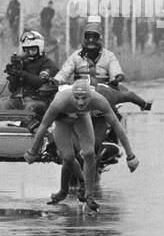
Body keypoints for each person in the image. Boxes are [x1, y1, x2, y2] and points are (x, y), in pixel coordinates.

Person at [23, 80, 139, 210]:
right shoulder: (60, 101)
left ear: (91, 96)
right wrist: (33, 151)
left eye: (84, 98)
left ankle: (89, 196)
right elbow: (44, 125)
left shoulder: (99, 100)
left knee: (89, 153)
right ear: (72, 96)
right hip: (62, 120)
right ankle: (64, 190)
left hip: (81, 118)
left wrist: (130, 155)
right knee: (67, 157)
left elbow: (117, 126)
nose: (80, 102)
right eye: (77, 98)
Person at [54, 16, 152, 110]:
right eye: (88, 37)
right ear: (84, 38)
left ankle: (136, 110)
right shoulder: (76, 56)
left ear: (100, 38)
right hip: (80, 90)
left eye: (94, 37)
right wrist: (56, 80)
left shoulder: (109, 55)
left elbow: (115, 69)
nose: (91, 40)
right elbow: (64, 72)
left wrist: (117, 77)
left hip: (104, 89)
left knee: (125, 98)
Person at [4, 30, 58, 115]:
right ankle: (1, 127)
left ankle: (25, 127)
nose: (29, 53)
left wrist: (20, 73)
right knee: (4, 104)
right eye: (26, 50)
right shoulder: (22, 63)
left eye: (32, 50)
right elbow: (12, 89)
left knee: (30, 107)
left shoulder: (47, 63)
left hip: (40, 100)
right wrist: (13, 76)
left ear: (39, 48)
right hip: (20, 99)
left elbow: (40, 82)